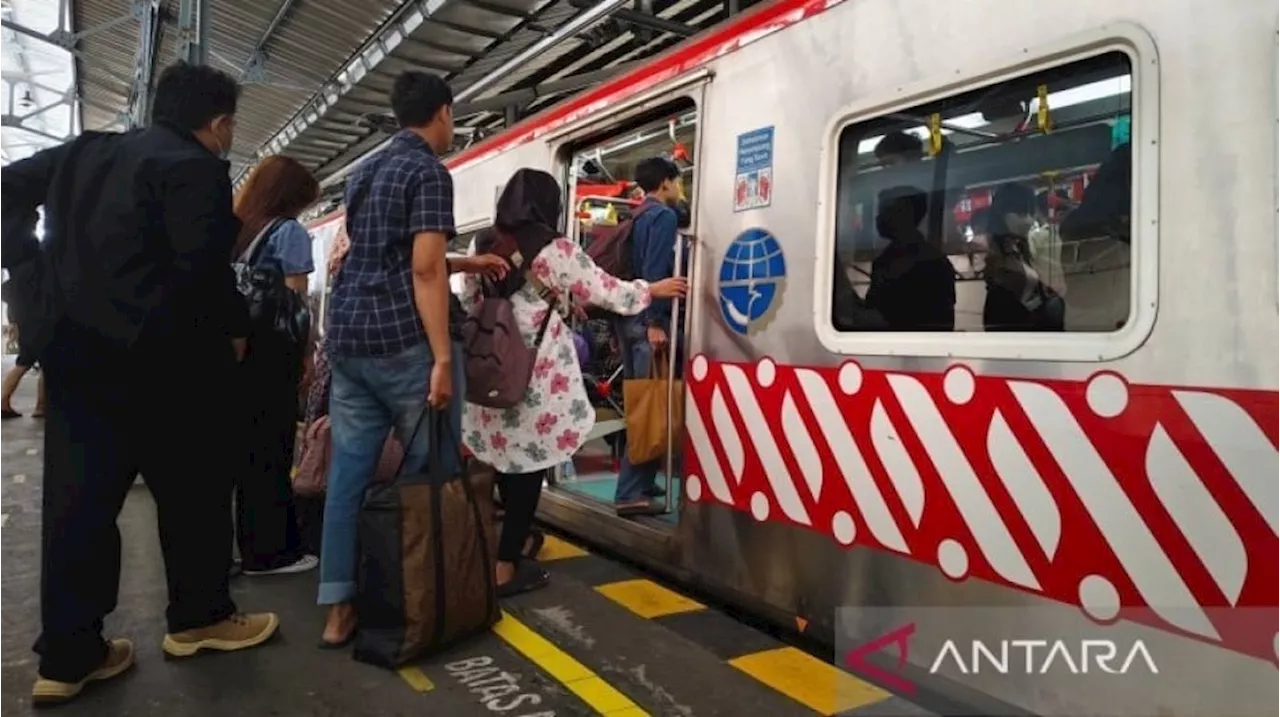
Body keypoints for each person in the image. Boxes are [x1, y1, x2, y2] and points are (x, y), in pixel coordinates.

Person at [0, 61, 279, 707]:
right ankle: (198, 619)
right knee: (194, 494)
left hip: (76, 355)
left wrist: (33, 283)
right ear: (219, 123)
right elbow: (207, 272)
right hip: (170, 363)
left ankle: (70, 655)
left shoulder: (85, 151)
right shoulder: (197, 166)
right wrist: (234, 334)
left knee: (78, 504)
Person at [318, 70, 506, 647]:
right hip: (403, 345)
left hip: (348, 343)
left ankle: (338, 608)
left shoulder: (364, 171)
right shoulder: (428, 171)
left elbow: (383, 255)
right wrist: (443, 360)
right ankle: (433, 591)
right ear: (444, 113)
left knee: (349, 474)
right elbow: (422, 270)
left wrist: (467, 265)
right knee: (435, 470)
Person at [460, 169, 687, 595]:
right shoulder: (554, 247)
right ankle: (506, 567)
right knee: (530, 467)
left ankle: (511, 544)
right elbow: (605, 290)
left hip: (492, 364)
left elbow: (476, 299)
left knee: (504, 462)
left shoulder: (485, 244)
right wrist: (652, 289)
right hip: (534, 373)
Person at [229, 155, 321, 576]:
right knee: (273, 450)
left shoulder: (238, 229)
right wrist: (307, 356)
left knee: (246, 451)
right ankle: (271, 553)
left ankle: (246, 546)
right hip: (273, 357)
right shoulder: (289, 233)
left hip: (238, 352)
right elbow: (297, 306)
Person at [614, 157, 685, 516]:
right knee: (650, 404)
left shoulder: (637, 215)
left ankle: (643, 480)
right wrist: (656, 321)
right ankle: (629, 491)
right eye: (677, 182)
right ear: (667, 183)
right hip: (648, 320)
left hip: (627, 319)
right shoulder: (663, 216)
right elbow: (656, 271)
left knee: (640, 399)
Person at [0, 323, 45, 419]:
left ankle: (3, 401)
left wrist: (13, 323)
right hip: (44, 326)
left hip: (26, 326)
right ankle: (41, 407)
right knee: (46, 366)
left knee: (23, 364)